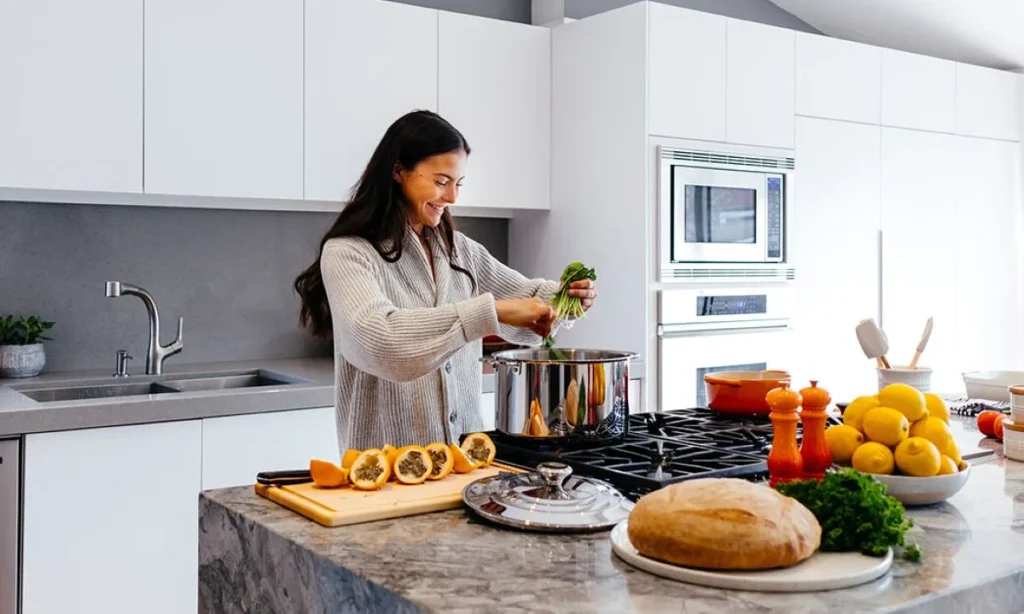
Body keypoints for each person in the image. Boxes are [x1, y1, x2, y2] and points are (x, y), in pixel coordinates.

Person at [294, 110, 597, 451]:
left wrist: (566, 298)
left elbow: (526, 300)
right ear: (398, 171)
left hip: (467, 463)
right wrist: (489, 312)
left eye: (458, 183)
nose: (452, 197)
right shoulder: (349, 253)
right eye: (441, 181)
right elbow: (380, 341)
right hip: (385, 472)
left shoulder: (460, 250)